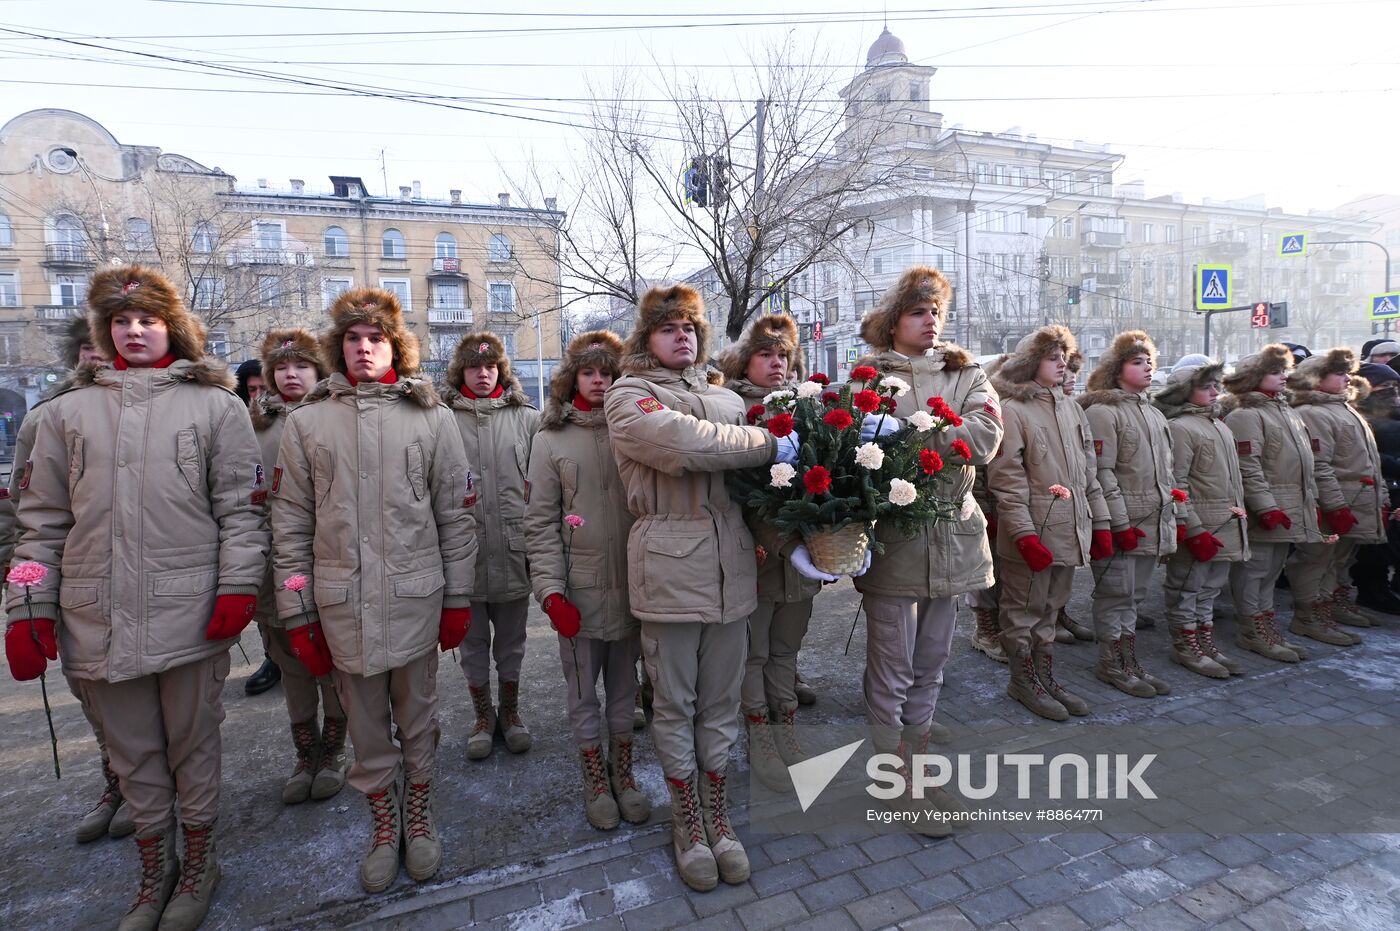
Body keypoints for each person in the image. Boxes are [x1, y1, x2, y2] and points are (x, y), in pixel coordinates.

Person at [4, 265, 270, 931]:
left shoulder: (217, 406)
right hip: (96, 616)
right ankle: (155, 868)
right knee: (133, 754)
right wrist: (27, 611)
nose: (134, 330)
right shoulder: (66, 413)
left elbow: (242, 510)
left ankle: (200, 859)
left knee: (192, 744)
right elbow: (41, 524)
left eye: (148, 319)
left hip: (190, 609)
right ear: (105, 330)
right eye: (121, 321)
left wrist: (239, 586)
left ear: (171, 326)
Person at [272, 287, 476, 894]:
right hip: (343, 607)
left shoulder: (433, 418)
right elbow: (290, 526)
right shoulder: (307, 422)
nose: (364, 348)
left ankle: (418, 813)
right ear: (339, 348)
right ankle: (383, 824)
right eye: (353, 339)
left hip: (416, 599)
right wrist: (298, 612)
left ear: (397, 348)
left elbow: (456, 516)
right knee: (365, 730)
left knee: (417, 719)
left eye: (376, 338)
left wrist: (459, 598)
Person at [604, 284, 798, 892]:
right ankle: (687, 820)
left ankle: (716, 813)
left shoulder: (723, 395)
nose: (682, 335)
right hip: (668, 565)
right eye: (668, 327)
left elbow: (756, 487)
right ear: (646, 339)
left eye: (690, 326)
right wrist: (767, 443)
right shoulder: (628, 396)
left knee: (719, 704)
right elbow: (681, 446)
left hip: (732, 565)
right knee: (674, 702)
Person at [850, 265, 1002, 807]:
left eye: (936, 310)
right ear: (894, 322)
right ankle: (892, 769)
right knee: (892, 663)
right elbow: (853, 452)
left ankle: (916, 755)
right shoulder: (866, 378)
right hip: (896, 539)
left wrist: (913, 431)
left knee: (931, 662)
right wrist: (882, 439)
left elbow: (984, 438)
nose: (930, 320)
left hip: (955, 533)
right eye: (918, 311)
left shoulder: (967, 374)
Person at [0, 317, 133, 844]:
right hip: (76, 582)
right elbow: (21, 509)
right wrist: (23, 592)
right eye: (88, 349)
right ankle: (118, 780)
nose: (97, 357)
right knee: (95, 694)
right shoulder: (45, 419)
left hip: (151, 578)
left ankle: (155, 787)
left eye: (107, 348)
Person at [524, 329, 650, 831]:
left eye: (608, 373)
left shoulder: (636, 430)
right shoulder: (550, 439)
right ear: (572, 378)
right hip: (581, 588)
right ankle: (594, 776)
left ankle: (624, 772)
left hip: (636, 582)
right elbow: (538, 522)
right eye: (589, 372)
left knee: (625, 689)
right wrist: (551, 592)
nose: (599, 381)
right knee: (582, 690)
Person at [718, 314, 822, 794]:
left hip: (802, 555)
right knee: (754, 652)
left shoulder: (807, 406)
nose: (776, 363)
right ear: (746, 360)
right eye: (765, 355)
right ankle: (759, 735)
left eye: (783, 355)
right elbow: (736, 489)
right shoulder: (732, 409)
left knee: (786, 647)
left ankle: (786, 728)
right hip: (756, 554)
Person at [988, 325, 1111, 721]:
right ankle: (1022, 681)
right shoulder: (1013, 410)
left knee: (1052, 609)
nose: (1062, 364)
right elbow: (1006, 478)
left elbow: (1088, 472)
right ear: (1030, 363)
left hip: (1068, 530)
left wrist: (1102, 524)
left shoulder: (1072, 407)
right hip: (1034, 532)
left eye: (1065, 357)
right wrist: (1023, 535)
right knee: (1022, 610)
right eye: (1052, 357)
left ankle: (1045, 676)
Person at [250, 329, 348, 804]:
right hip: (275, 566)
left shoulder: (335, 420)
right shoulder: (254, 428)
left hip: (330, 562)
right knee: (291, 664)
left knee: (333, 663)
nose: (291, 374)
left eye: (302, 366)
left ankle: (333, 750)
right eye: (282, 367)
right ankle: (304, 750)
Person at [441, 331, 540, 760]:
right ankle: (483, 716)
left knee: (513, 643)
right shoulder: (441, 419)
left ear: (502, 370)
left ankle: (511, 712)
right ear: (460, 372)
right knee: (473, 643)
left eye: (491, 366)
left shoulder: (528, 419)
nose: (483, 374)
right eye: (473, 367)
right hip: (465, 556)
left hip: (515, 551)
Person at [1080, 331, 1179, 698]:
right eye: (1138, 362)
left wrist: (1174, 516)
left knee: (1134, 596)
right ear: (1116, 369)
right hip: (1124, 522)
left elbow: (1167, 474)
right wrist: (1118, 523)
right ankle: (1111, 663)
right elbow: (1101, 472)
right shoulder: (1103, 412)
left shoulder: (1152, 412)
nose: (1148, 367)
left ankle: (1128, 658)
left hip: (1152, 520)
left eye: (1149, 361)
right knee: (1115, 594)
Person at [1153, 355, 1247, 678]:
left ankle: (1205, 640)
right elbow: (1176, 483)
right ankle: (1185, 644)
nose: (1214, 392)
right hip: (1200, 526)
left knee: (1210, 589)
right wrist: (1191, 528)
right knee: (1186, 587)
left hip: (1224, 523)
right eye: (1205, 386)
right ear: (1183, 391)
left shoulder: (1219, 424)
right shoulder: (1180, 428)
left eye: (1216, 385)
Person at [1223, 343, 1318, 663]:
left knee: (1273, 569)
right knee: (1255, 570)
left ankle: (1265, 623)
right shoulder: (1246, 416)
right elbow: (1248, 467)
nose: (1283, 377)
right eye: (1274, 372)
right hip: (1268, 510)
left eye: (1283, 371)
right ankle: (1251, 629)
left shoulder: (1285, 411)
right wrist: (1265, 507)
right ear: (1253, 378)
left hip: (1290, 506)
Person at [1283, 348, 1386, 643]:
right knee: (1315, 559)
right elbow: (1318, 465)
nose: (1347, 379)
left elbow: (1368, 459)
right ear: (1316, 379)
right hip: (1336, 501)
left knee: (1339, 560)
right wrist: (1335, 505)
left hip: (1356, 498)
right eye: (1339, 374)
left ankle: (1328, 607)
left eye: (1347, 373)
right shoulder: (1313, 413)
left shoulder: (1343, 407)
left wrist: (1381, 499)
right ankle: (1308, 616)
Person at [236, 355, 281, 696]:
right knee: (265, 603)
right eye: (250, 390)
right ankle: (273, 657)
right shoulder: (238, 428)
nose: (257, 396)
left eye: (262, 388)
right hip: (257, 526)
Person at [1353, 362, 1400, 613]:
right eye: (1385, 387)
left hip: (1393, 487)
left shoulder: (1394, 414)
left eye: (1395, 386)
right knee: (1376, 548)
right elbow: (1367, 454)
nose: (1392, 392)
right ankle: (1372, 590)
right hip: (1376, 488)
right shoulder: (1361, 417)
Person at [1055, 349, 1095, 643]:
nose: (1071, 378)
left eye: (1074, 373)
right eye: (1066, 371)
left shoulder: (1073, 408)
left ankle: (1059, 611)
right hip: (1045, 503)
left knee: (1066, 567)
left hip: (1073, 501)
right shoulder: (1019, 406)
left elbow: (1088, 457)